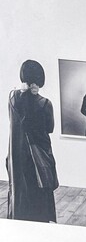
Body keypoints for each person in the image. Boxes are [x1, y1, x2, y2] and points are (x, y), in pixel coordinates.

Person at [6, 59, 58, 222]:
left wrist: (23, 92)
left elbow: (14, 122)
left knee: (21, 191)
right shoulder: (45, 103)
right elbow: (50, 128)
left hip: (17, 156)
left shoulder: (12, 99)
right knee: (40, 193)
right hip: (39, 156)